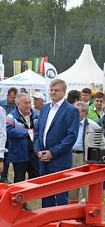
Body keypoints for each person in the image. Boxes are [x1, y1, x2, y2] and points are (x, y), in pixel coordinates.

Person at [34, 79, 79, 208]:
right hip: (43, 159)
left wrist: (52, 153)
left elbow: (71, 137)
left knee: (60, 195)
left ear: (64, 92)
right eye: (51, 90)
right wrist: (38, 151)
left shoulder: (71, 111)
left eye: (56, 90)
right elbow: (37, 132)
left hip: (60, 161)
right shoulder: (45, 108)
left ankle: (61, 221)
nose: (53, 93)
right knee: (45, 194)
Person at [69, 101, 103, 201]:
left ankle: (88, 208)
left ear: (85, 113)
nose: (75, 114)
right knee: (71, 185)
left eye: (78, 112)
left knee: (86, 187)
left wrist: (93, 159)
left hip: (85, 158)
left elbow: (101, 144)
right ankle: (71, 208)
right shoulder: (68, 124)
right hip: (70, 156)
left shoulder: (94, 126)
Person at [6, 93, 39, 184]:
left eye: (29, 103)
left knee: (36, 176)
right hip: (19, 153)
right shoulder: (11, 116)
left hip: (34, 152)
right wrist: (26, 132)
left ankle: (34, 195)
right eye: (25, 103)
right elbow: (8, 131)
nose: (28, 105)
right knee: (19, 178)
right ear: (18, 105)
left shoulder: (35, 116)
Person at [0, 87, 18, 184]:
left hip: (10, 136)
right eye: (12, 98)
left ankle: (3, 177)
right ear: (8, 96)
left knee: (7, 158)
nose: (14, 100)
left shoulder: (17, 106)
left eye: (15, 98)